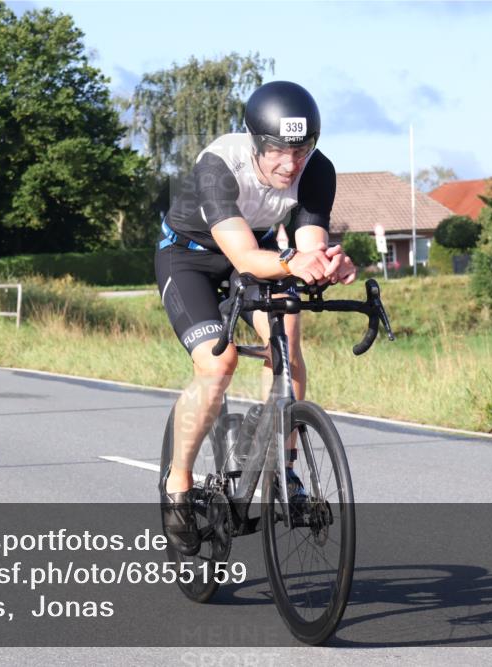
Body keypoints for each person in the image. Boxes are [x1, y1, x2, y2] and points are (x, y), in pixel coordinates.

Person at [154, 81, 357, 554]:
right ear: (256, 143)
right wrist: (293, 264)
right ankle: (178, 483)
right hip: (190, 260)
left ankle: (282, 467)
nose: (291, 164)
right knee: (217, 365)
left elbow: (308, 246)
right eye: (279, 152)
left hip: (260, 254)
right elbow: (244, 257)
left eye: (302, 150)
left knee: (287, 342)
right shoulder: (219, 166)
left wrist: (329, 264)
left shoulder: (317, 170)